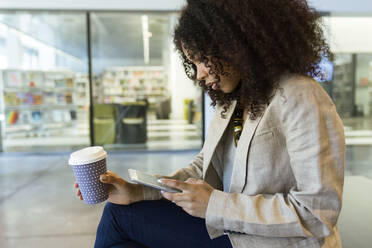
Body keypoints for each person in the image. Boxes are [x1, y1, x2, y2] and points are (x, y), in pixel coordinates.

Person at [74, 0, 345, 247]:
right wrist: (139, 191)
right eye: (193, 63)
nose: (199, 74)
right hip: (231, 230)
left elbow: (317, 213)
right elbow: (203, 168)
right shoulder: (234, 102)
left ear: (237, 42)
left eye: (203, 59)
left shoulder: (300, 95)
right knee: (119, 211)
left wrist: (216, 205)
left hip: (267, 242)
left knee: (120, 221)